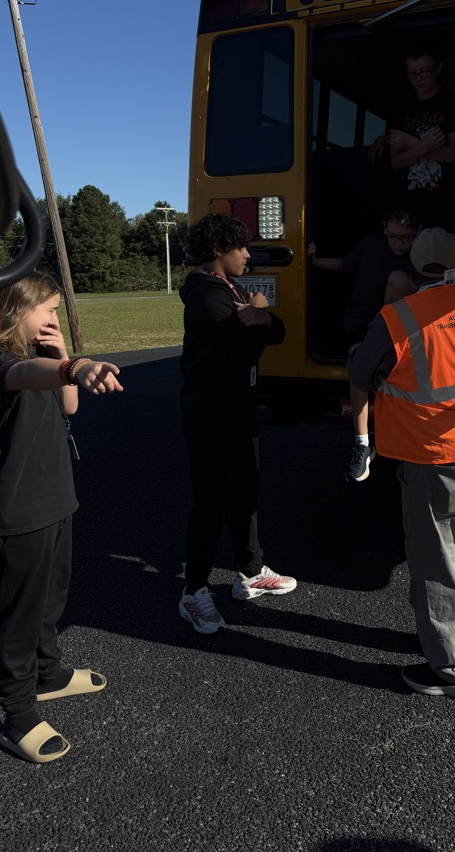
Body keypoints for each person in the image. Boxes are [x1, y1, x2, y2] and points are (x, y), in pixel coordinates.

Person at [0, 271, 124, 763]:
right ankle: (17, 713)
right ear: (17, 308)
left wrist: (62, 357)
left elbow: (68, 406)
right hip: (16, 505)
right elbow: (27, 377)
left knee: (52, 595)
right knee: (19, 611)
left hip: (55, 496)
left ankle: (48, 673)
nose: (54, 318)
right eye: (48, 310)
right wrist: (72, 365)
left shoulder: (43, 358)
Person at [348, 228, 455, 700]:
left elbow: (361, 373)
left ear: (413, 267)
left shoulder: (397, 317)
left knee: (434, 557)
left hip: (436, 453)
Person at [178, 213, 296, 634]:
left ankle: (250, 573)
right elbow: (247, 343)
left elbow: (274, 332)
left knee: (245, 491)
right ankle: (194, 592)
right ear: (217, 251)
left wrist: (263, 316)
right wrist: (261, 315)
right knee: (211, 500)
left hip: (238, 408)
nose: (248, 255)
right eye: (240, 247)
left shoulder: (233, 288)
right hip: (211, 412)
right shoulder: (206, 295)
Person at [307, 209, 421, 481]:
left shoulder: (422, 256)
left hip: (398, 329)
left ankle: (400, 443)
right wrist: (312, 261)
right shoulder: (371, 245)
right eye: (393, 236)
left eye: (405, 238)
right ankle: (362, 442)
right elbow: (344, 264)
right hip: (361, 325)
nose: (398, 243)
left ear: (418, 233)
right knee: (359, 359)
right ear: (384, 230)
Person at [384, 41, 455, 229]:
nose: (418, 79)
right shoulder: (402, 110)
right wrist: (424, 145)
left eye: (424, 71)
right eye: (412, 73)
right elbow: (396, 161)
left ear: (438, 69)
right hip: (408, 202)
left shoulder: (453, 104)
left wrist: (411, 144)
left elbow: (454, 155)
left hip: (446, 200)